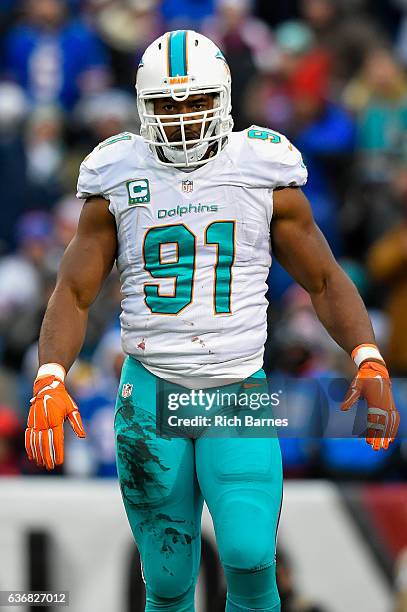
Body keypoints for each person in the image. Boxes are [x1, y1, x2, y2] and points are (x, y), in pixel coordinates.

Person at [25, 30, 400, 612]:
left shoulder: (260, 166)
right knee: (169, 579)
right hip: (151, 388)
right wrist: (51, 373)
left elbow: (324, 278)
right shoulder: (117, 174)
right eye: (168, 105)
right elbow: (73, 291)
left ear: (224, 98)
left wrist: (366, 354)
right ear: (142, 108)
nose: (182, 119)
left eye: (195, 101)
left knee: (251, 557)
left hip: (236, 389)